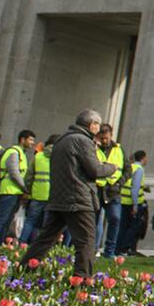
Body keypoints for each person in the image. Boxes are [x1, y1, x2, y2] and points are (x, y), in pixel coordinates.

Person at [21, 109, 117, 277]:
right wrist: (111, 167)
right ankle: (82, 280)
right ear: (91, 125)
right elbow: (94, 169)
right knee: (86, 241)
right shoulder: (83, 141)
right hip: (78, 199)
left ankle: (22, 272)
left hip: (59, 198)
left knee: (46, 239)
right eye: (98, 124)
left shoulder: (62, 139)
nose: (99, 129)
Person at [0, 130, 34, 245]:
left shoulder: (21, 153)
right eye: (30, 139)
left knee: (7, 221)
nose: (32, 143)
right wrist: (25, 188)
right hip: (8, 191)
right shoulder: (14, 152)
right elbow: (14, 173)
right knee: (0, 219)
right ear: (22, 139)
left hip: (14, 192)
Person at [95, 124, 128, 256]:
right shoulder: (93, 149)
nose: (104, 141)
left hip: (113, 190)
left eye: (106, 138)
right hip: (97, 189)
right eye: (102, 138)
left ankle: (109, 251)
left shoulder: (119, 150)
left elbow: (127, 170)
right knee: (93, 221)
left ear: (111, 136)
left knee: (115, 219)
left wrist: (120, 184)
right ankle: (92, 249)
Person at [117, 149, 147, 255]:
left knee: (123, 226)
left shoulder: (130, 167)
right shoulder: (139, 169)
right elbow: (135, 187)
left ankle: (118, 248)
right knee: (133, 226)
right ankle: (125, 248)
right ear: (143, 158)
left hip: (123, 200)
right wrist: (135, 205)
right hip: (133, 202)